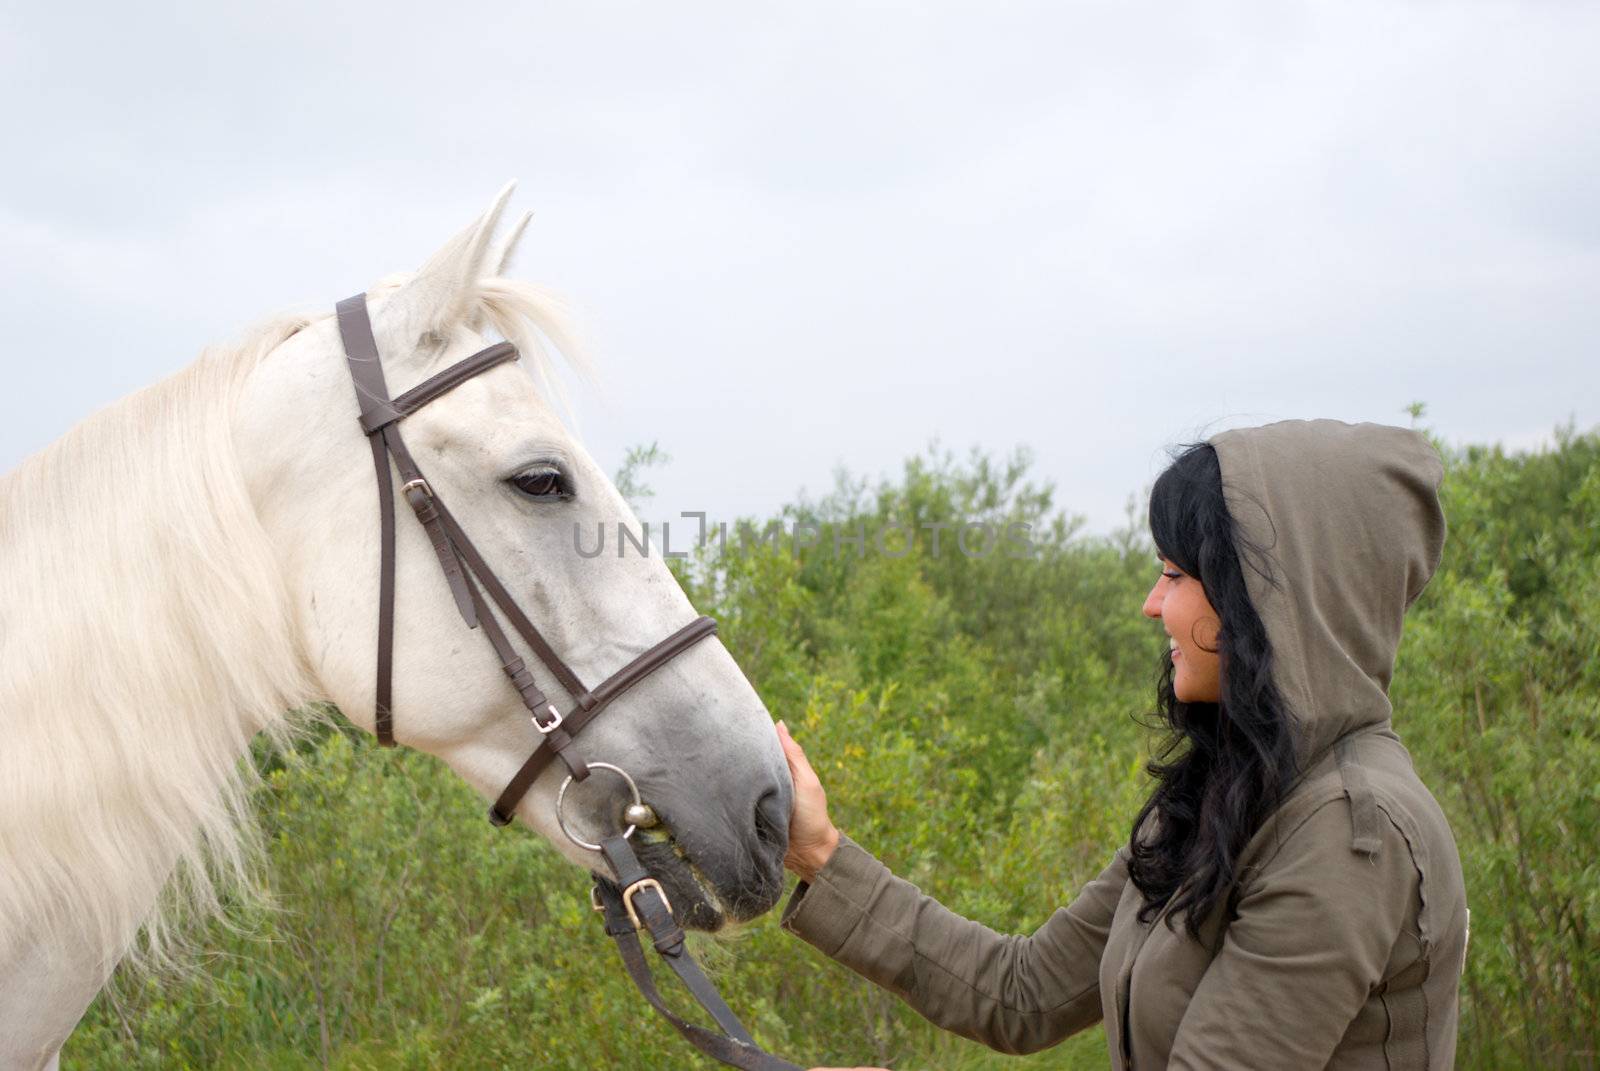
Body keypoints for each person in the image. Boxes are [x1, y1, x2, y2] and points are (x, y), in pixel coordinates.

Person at [776, 419, 1469, 1070]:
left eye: (1174, 575)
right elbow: (1024, 990)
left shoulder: (1349, 834)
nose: (1151, 603)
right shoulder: (1225, 796)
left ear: (1266, 598)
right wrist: (820, 852)